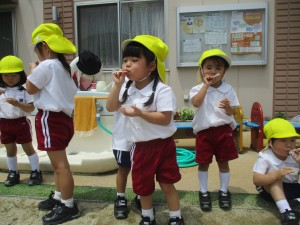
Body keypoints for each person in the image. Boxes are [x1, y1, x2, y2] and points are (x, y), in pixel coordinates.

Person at [106, 35, 184, 225]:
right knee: (143, 187)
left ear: (151, 66)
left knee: (167, 183)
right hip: (139, 147)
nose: (128, 65)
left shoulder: (162, 90)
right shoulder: (125, 87)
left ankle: (176, 217)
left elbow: (165, 118)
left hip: (163, 145)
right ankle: (148, 217)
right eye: (125, 60)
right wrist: (117, 85)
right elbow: (110, 107)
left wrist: (140, 114)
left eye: (134, 60)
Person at [26, 23, 80, 224]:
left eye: (37, 50)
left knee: (60, 166)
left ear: (45, 47)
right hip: (64, 119)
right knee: (60, 164)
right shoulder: (64, 67)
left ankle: (68, 206)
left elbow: (31, 88)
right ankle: (59, 197)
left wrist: (32, 69)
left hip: (51, 118)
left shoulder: (47, 65)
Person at [189, 48, 239, 212]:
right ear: (202, 69)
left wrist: (228, 108)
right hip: (204, 132)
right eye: (209, 67)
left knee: (223, 162)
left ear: (225, 71)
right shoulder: (198, 88)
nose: (214, 71)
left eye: (219, 68)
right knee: (203, 163)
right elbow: (196, 103)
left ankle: (224, 191)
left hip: (224, 131)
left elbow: (234, 112)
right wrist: (206, 85)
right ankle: (204, 192)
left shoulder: (228, 89)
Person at [0, 55, 42, 187]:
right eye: (6, 76)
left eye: (13, 75)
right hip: (4, 123)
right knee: (10, 150)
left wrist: (17, 104)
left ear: (20, 75)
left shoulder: (24, 89)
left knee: (28, 148)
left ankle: (36, 171)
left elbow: (31, 107)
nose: (10, 79)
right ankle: (13, 173)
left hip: (21, 122)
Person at [253, 118, 300, 225]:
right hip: (268, 188)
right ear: (270, 142)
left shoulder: (295, 156)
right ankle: (286, 211)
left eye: (292, 140)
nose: (289, 145)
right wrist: (276, 174)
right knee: (276, 179)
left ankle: (295, 202)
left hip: (292, 187)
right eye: (283, 141)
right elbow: (256, 180)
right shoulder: (265, 157)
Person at [112, 108, 141, 219]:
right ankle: (120, 197)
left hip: (143, 137)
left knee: (143, 169)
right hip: (123, 138)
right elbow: (110, 106)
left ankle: (141, 195)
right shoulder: (120, 89)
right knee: (123, 168)